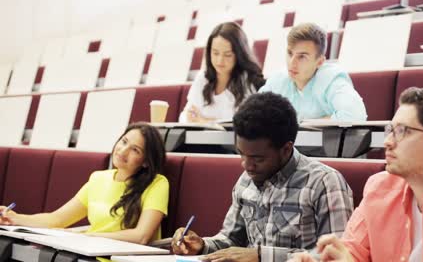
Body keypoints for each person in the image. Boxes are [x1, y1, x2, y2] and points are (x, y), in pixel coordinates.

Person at [288, 87, 423, 262]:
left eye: (402, 131)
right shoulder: (380, 188)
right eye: (390, 130)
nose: (388, 142)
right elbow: (352, 253)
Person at [172, 92, 354, 261]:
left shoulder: (324, 182)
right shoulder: (246, 181)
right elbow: (231, 240)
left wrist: (262, 256)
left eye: (257, 158)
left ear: (286, 149)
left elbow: (336, 254)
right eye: (241, 154)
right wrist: (203, 245)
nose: (246, 165)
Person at [0, 122, 169, 245]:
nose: (123, 150)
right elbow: (57, 219)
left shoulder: (157, 183)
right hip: (88, 252)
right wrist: (14, 218)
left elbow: (142, 236)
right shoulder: (98, 178)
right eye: (124, 141)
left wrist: (87, 236)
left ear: (146, 162)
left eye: (135, 150)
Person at [259, 23, 367, 122]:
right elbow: (253, 113)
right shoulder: (277, 80)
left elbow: (356, 116)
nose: (292, 63)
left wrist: (301, 125)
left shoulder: (332, 79)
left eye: (302, 57)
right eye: (290, 53)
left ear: (320, 62)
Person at [179, 21, 265, 123]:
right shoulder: (203, 77)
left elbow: (243, 124)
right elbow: (185, 116)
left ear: (239, 54)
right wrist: (199, 120)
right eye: (215, 53)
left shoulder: (248, 81)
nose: (220, 61)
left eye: (227, 55)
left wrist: (203, 121)